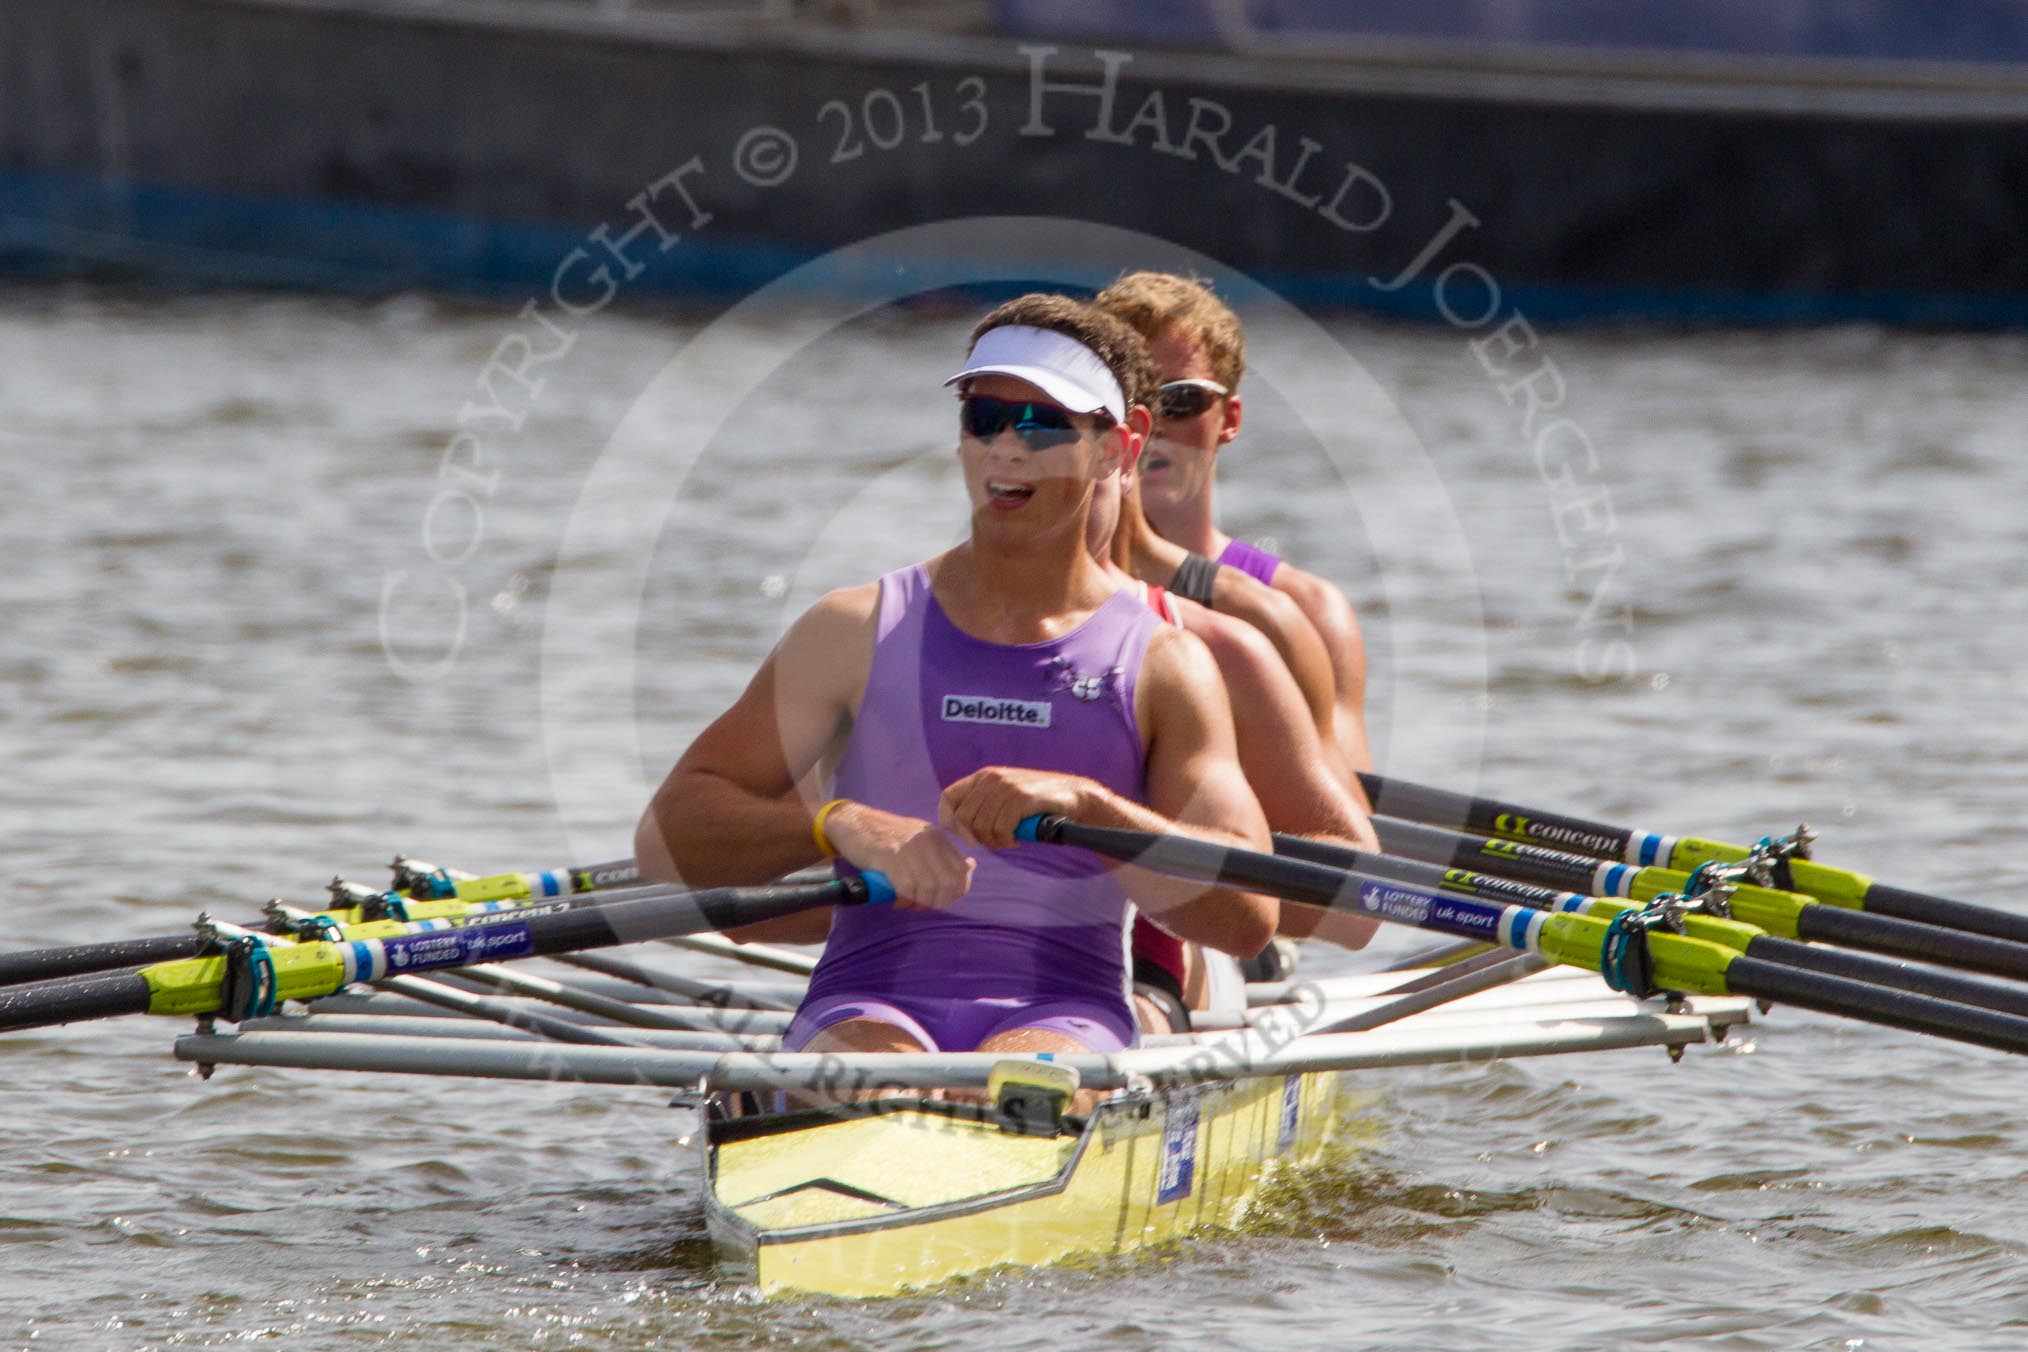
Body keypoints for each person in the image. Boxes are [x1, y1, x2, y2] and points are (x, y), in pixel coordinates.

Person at [634, 294, 1275, 1094]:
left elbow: (1248, 916)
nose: (1007, 447)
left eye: (1043, 423)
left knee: (1008, 1091)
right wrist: (839, 825)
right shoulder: (853, 629)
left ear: (1121, 445)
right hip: (864, 1006)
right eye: (985, 417)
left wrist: (1093, 811)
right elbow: (667, 837)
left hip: (1065, 1013)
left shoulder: (1168, 665)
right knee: (882, 1086)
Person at [1080, 417, 1380, 1035]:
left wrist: (1221, 835)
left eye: (1181, 401)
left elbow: (1355, 904)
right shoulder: (907, 622)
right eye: (990, 423)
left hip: (1168, 958)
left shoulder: (1252, 623)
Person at [1095, 272, 1375, 776]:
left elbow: (1342, 806)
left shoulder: (1307, 611)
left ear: (1230, 419)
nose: (1150, 426)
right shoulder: (1026, 589)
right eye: (1124, 398)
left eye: (1177, 400)